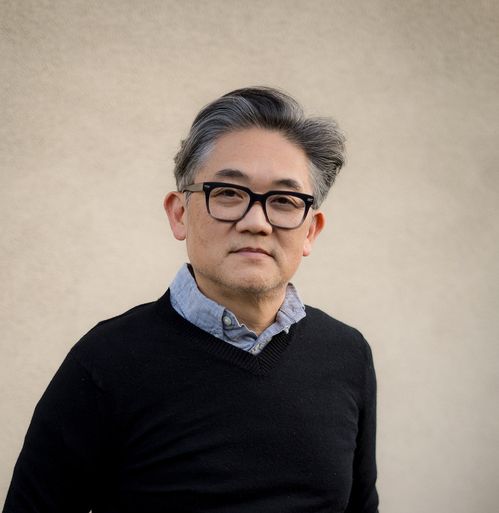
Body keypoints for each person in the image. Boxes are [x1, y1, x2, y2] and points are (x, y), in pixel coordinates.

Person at [3, 87, 379, 513]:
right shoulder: (106, 363)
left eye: (284, 201)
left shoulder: (347, 354)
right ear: (179, 213)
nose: (256, 222)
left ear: (310, 230)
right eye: (228, 193)